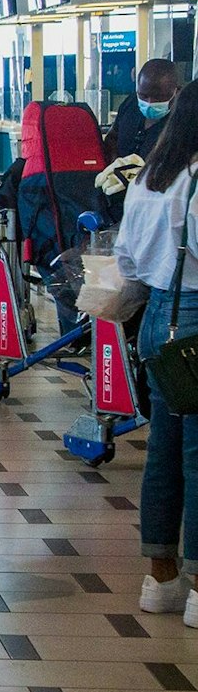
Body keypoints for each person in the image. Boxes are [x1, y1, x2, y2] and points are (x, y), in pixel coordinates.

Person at [118, 85, 198, 624]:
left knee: (165, 454)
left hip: (157, 323)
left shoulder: (152, 176)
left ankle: (161, 579)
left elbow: (127, 258)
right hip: (194, 321)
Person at [108, 59, 182, 163]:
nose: (149, 102)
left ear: (176, 91)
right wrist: (115, 166)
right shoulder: (131, 103)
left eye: (158, 97)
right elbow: (112, 137)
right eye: (143, 95)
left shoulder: (185, 120)